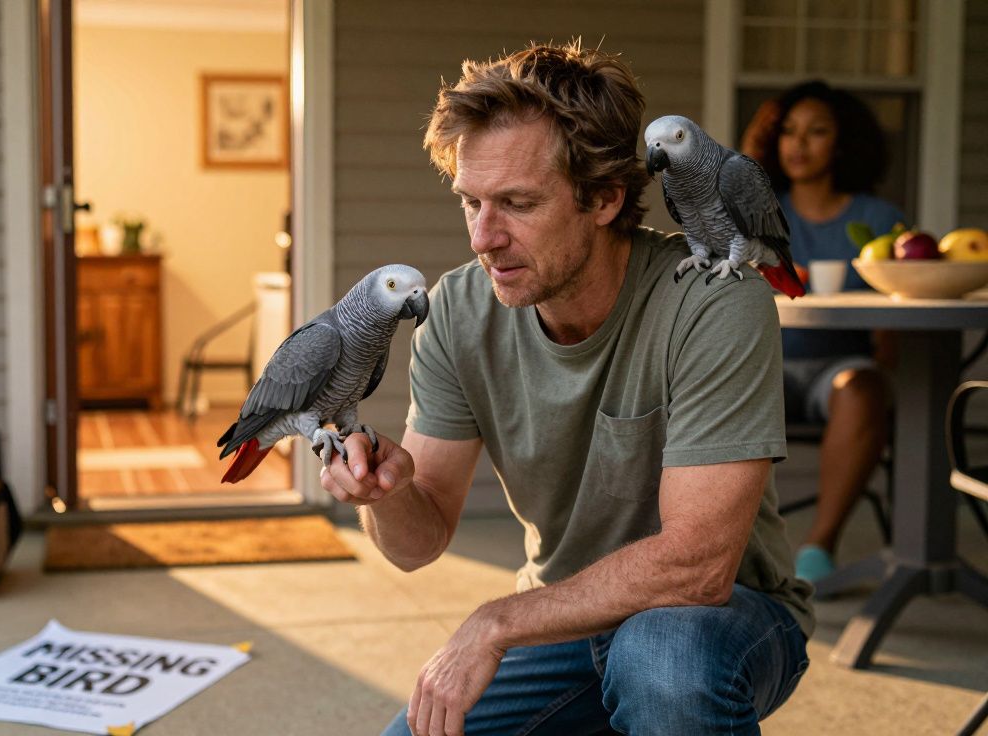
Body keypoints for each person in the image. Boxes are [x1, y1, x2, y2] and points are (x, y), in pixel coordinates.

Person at [321, 41, 813, 736]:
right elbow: (416, 542)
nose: (484, 238)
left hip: (726, 616)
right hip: (566, 618)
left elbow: (699, 567)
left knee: (663, 665)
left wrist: (496, 621)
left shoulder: (712, 302)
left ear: (605, 199)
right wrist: (391, 492)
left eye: (517, 204)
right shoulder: (458, 314)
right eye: (471, 203)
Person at [741, 80, 903, 584]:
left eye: (817, 132)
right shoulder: (758, 212)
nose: (799, 144)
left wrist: (885, 373)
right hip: (764, 364)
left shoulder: (879, 220)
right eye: (787, 132)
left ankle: (819, 547)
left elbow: (894, 326)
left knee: (861, 389)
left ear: (843, 142)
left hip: (839, 369)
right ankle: (728, 547)